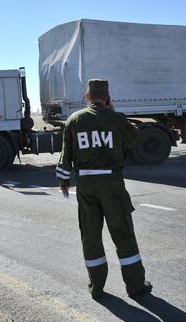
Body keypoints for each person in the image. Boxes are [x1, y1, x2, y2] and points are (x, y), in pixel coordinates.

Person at [57, 79, 152, 300]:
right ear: (107, 97)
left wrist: (63, 182)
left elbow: (65, 155)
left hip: (86, 186)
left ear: (88, 96)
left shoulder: (74, 120)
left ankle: (97, 287)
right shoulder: (116, 119)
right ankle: (135, 286)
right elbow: (133, 138)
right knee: (123, 234)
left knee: (90, 235)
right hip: (112, 185)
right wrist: (113, 113)